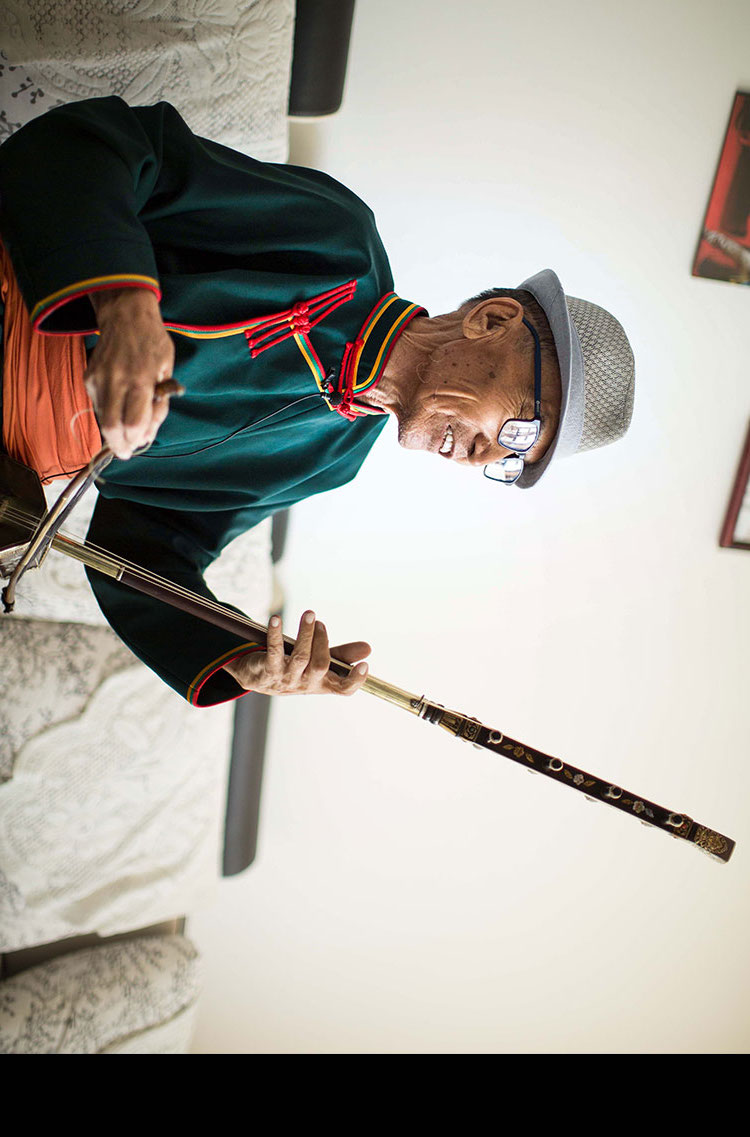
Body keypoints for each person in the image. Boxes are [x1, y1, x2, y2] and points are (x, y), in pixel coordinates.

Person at [0, 97, 635, 706]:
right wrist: (124, 304)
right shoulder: (335, 238)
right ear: (491, 321)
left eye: (513, 462)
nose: (486, 456)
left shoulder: (332, 459)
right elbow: (97, 143)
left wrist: (237, 658)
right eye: (522, 428)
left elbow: (147, 543)